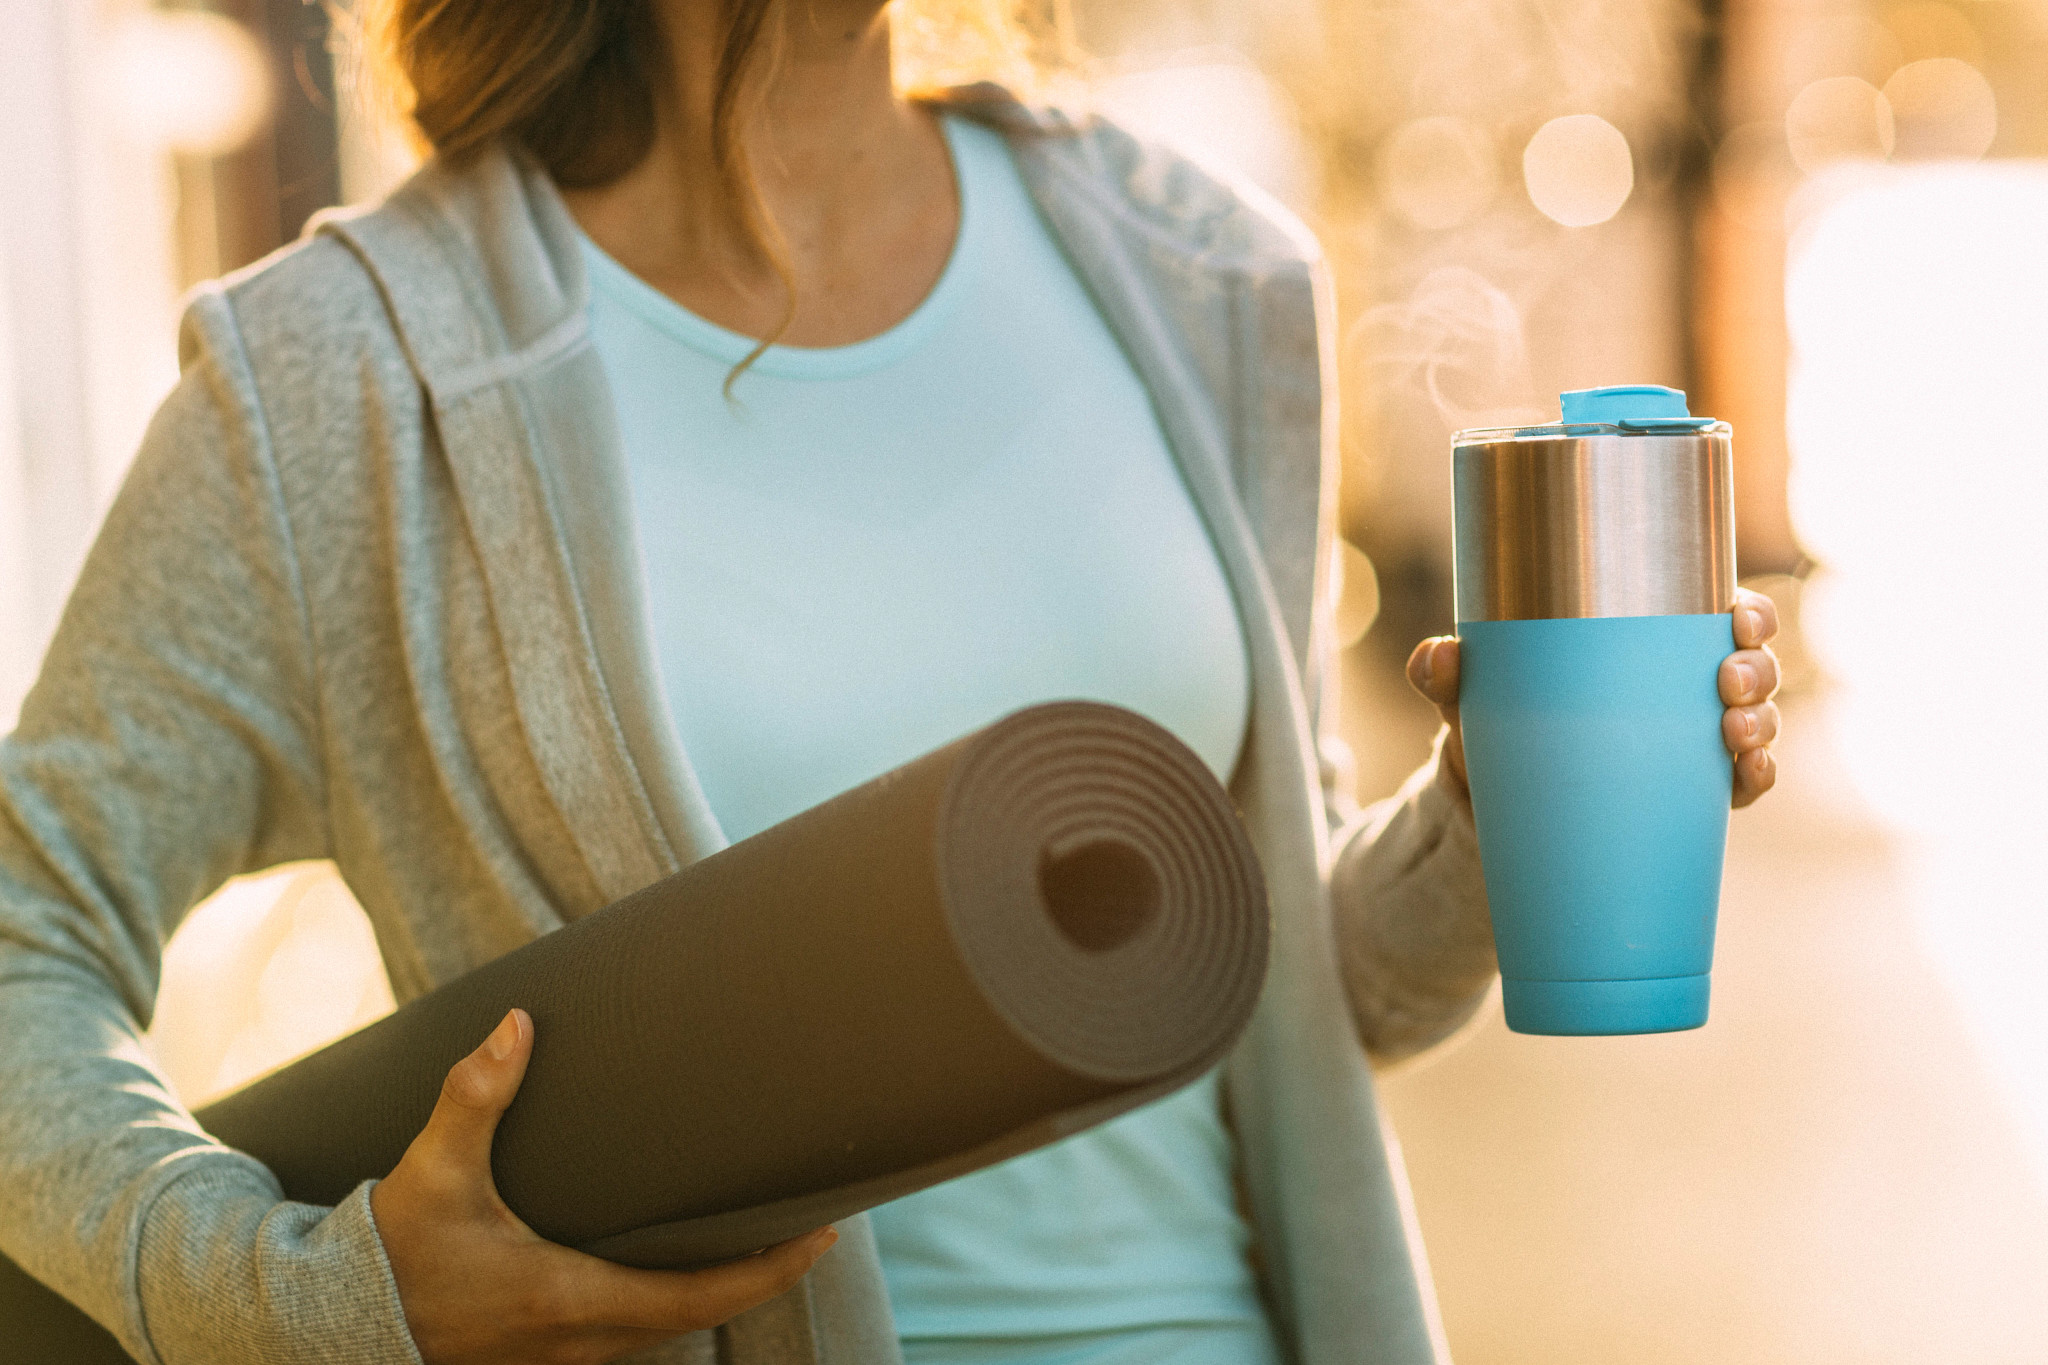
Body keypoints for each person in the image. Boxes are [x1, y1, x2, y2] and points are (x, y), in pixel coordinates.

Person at [0, 1, 1783, 1362]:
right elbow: (26, 934)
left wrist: (1488, 812)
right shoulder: (344, 378)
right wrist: (310, 1297)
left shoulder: (1198, 272)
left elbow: (1284, 994)